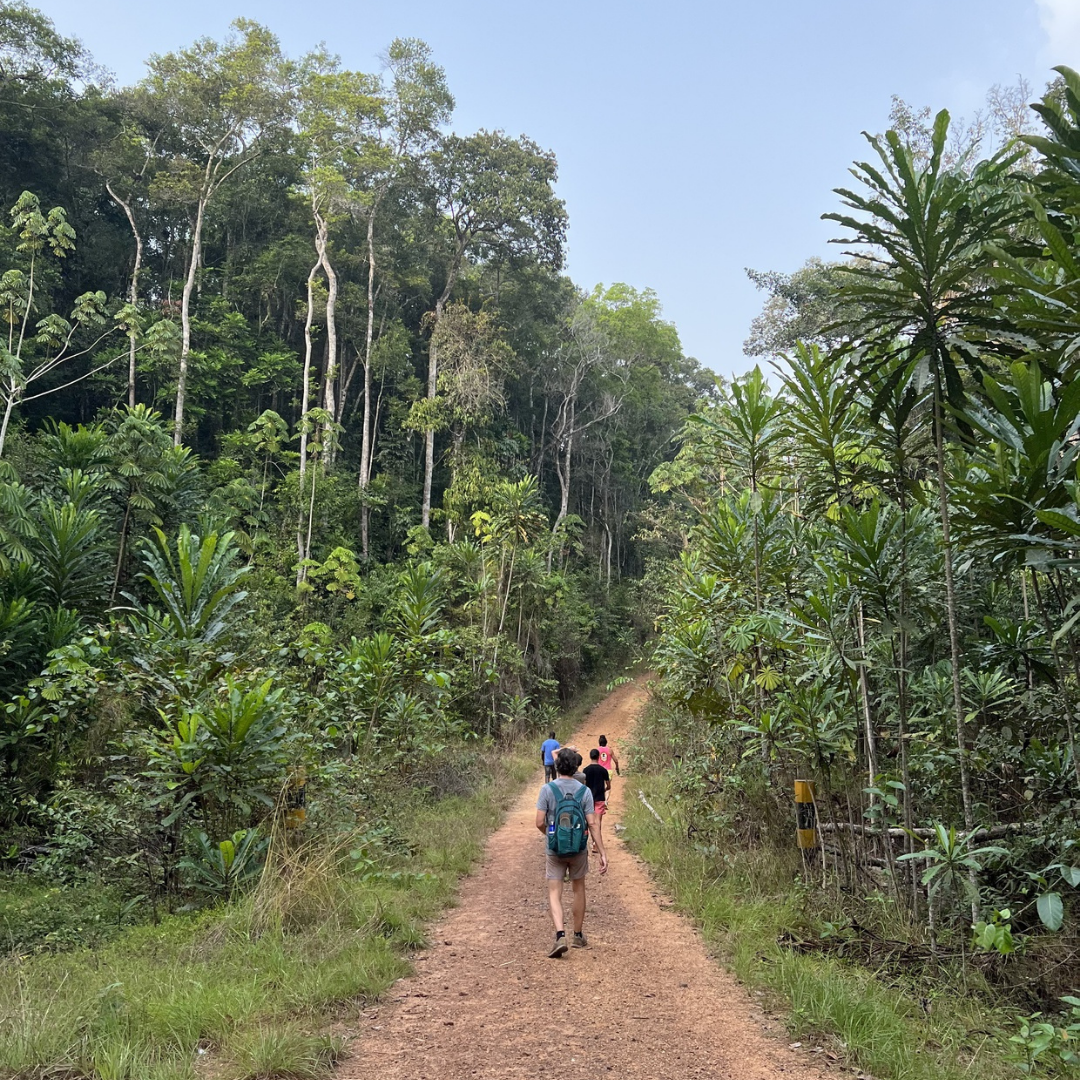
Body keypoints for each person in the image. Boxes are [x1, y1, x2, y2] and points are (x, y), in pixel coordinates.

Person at [535, 746, 607, 957]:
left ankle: (560, 936)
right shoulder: (584, 791)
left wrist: (550, 834)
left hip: (555, 848)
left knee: (554, 892)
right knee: (578, 888)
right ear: (576, 767)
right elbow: (592, 824)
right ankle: (577, 935)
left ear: (557, 766)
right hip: (578, 848)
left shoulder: (547, 790)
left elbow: (539, 821)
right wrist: (602, 852)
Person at [583, 748, 611, 853]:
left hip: (589, 799)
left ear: (590, 757)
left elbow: (584, 786)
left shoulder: (586, 770)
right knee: (598, 821)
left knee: (589, 821)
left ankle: (589, 842)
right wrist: (604, 789)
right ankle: (595, 844)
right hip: (600, 798)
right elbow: (608, 786)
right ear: (599, 757)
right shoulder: (603, 770)